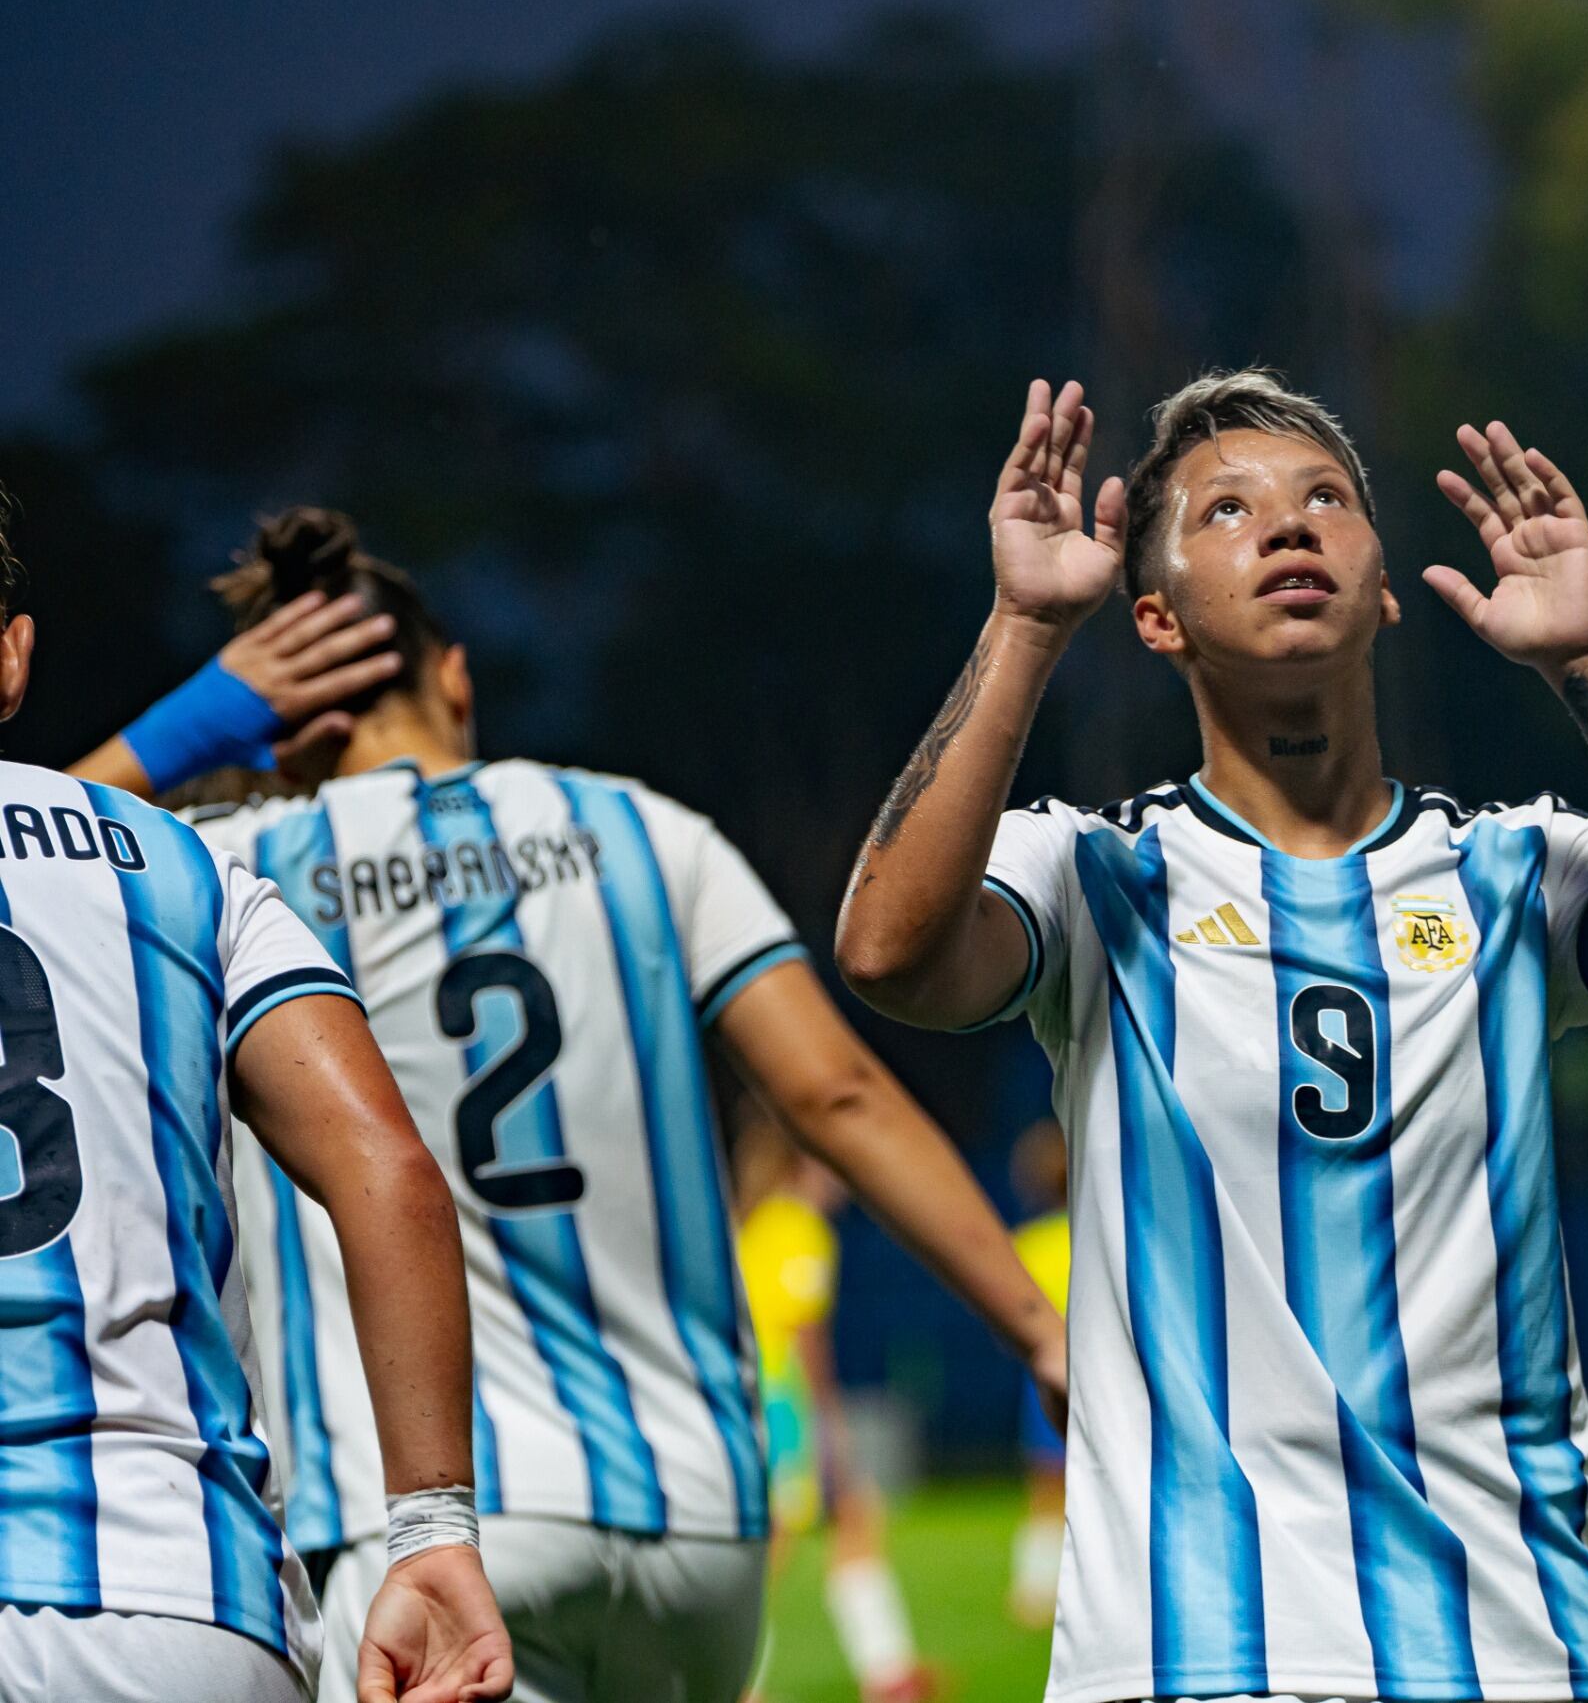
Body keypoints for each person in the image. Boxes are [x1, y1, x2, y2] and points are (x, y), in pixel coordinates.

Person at [837, 373, 1588, 1703]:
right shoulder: (1094, 878)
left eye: (1327, 501)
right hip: (1187, 1651)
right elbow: (888, 952)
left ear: (1388, 587)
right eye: (1226, 510)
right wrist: (1021, 625)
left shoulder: (1521, 874)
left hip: (1510, 1643)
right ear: (1155, 613)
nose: (1288, 527)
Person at [74, 508, 1065, 1703]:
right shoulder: (646, 830)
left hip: (428, 1516)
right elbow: (836, 1090)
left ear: (274, 731)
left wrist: (184, 730)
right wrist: (1038, 1328)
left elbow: (29, 879)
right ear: (452, 675)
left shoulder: (226, 865)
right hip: (695, 1514)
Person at [0, 511, 510, 1701]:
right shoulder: (186, 868)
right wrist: (432, 1527)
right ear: (13, 660)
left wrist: (177, 730)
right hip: (183, 1597)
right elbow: (388, 1168)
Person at [731, 1091, 935, 1703]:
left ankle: (890, 1674)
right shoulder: (800, 1227)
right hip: (781, 1403)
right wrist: (831, 1429)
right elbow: (804, 1337)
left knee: (839, 1528)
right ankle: (738, 1683)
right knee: (778, 1548)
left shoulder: (758, 1222)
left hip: (745, 1396)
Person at [1005, 1119, 1071, 1628]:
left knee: (1045, 1489)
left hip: (1043, 1374)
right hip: (1099, 1369)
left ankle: (1031, 1592)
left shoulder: (1025, 1242)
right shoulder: (1098, 1230)